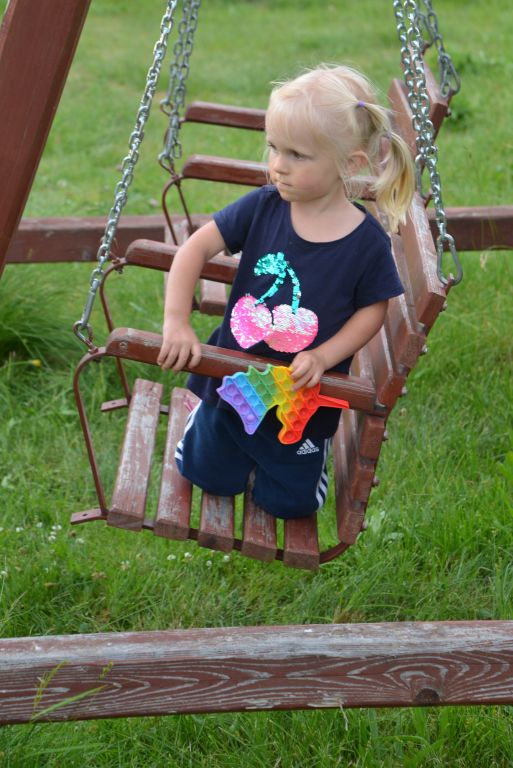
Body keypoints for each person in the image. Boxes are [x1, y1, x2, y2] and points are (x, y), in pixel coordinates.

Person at [157, 63, 415, 520]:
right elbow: (194, 250)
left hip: (301, 400)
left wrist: (323, 355)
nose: (278, 164)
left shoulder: (366, 242)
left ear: (349, 164)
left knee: (289, 504)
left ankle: (294, 463)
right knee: (208, 475)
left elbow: (372, 309)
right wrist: (176, 321)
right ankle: (205, 427)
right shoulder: (264, 206)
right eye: (274, 147)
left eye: (297, 154)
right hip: (233, 382)